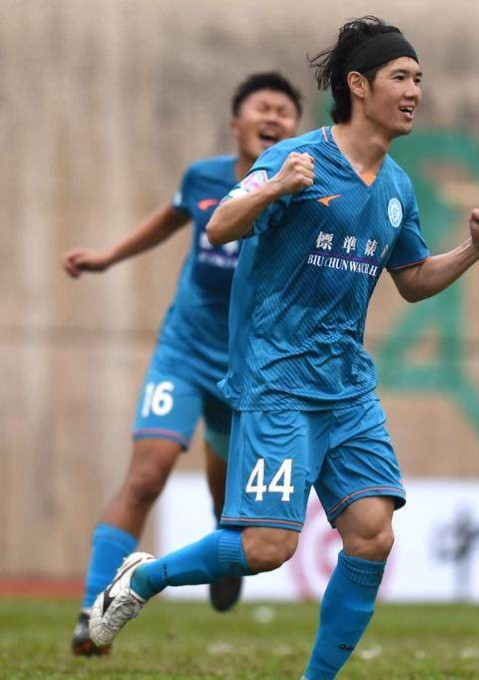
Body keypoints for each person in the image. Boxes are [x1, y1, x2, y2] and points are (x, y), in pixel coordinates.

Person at [89, 16, 479, 680]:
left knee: (373, 534)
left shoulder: (397, 188)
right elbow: (222, 223)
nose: (414, 92)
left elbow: (413, 282)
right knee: (266, 548)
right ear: (357, 85)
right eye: (401, 77)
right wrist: (279, 186)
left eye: (419, 79)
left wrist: (474, 250)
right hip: (277, 380)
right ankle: (146, 576)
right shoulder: (296, 157)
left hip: (347, 387)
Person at [63, 72, 302, 655]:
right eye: (261, 108)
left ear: (296, 129)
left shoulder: (303, 186)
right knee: (147, 474)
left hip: (249, 365)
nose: (273, 118)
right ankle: (94, 607)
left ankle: (223, 561)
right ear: (236, 123)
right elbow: (171, 218)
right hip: (186, 351)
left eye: (284, 111)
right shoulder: (203, 177)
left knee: (230, 501)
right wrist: (107, 257)